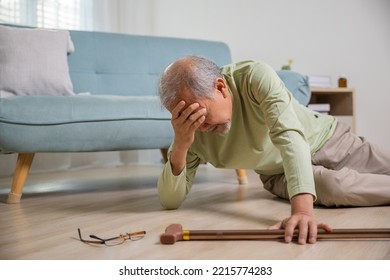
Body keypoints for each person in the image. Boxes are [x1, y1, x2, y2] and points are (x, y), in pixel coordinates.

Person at [157, 55, 390, 245]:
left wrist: (302, 212)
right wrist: (181, 143)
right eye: (183, 116)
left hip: (328, 140)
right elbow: (170, 200)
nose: (199, 125)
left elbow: (289, 136)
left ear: (221, 87)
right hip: (277, 173)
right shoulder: (189, 132)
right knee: (335, 186)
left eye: (200, 114)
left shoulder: (253, 76)